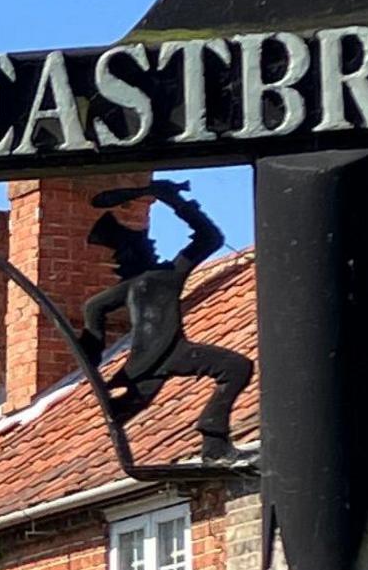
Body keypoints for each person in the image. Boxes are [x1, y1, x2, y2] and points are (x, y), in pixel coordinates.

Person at [83, 180, 253, 460]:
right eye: (145, 245)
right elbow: (210, 238)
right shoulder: (165, 275)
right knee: (236, 367)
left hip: (148, 361)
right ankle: (213, 432)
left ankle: (213, 444)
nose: (153, 246)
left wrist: (92, 348)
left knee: (124, 409)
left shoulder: (134, 285)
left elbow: (94, 308)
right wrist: (175, 202)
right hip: (169, 354)